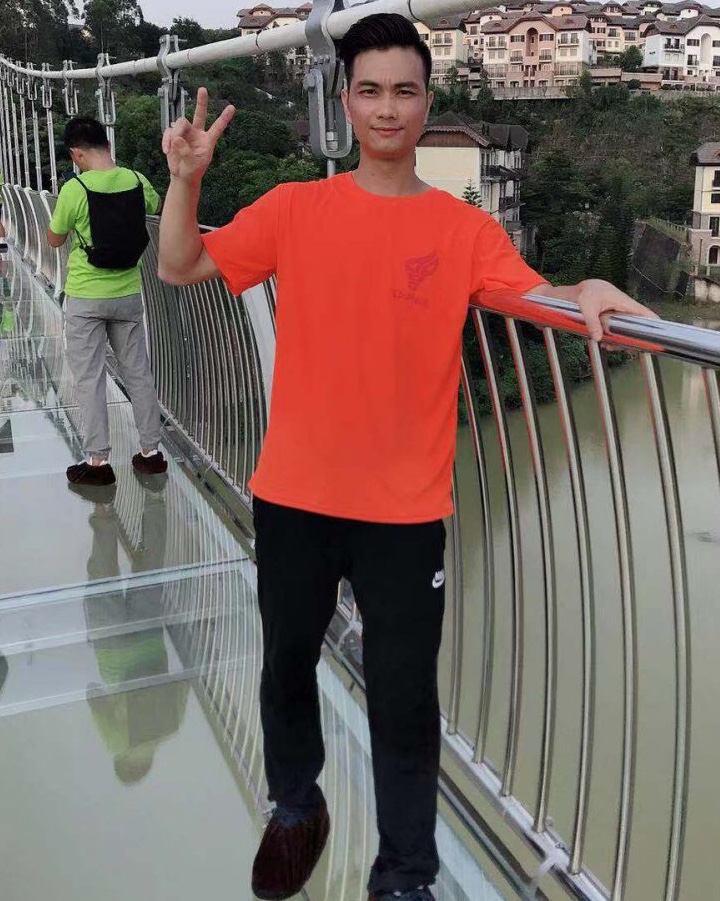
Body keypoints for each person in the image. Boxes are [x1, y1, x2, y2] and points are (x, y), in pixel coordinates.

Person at [157, 14, 658, 901]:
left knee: (403, 697)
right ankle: (297, 803)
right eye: (370, 90)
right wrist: (186, 180)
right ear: (345, 103)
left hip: (405, 510)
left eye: (405, 91)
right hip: (294, 494)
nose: (387, 108)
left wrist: (586, 288)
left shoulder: (463, 230)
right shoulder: (295, 209)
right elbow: (180, 265)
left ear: (428, 102)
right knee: (285, 665)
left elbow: (535, 294)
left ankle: (405, 875)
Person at [48, 117, 168, 488]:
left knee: (90, 379)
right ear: (108, 145)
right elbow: (155, 204)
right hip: (128, 294)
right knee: (138, 373)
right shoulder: (136, 180)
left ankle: (98, 461)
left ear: (76, 154)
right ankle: (150, 453)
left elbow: (54, 239)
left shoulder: (75, 188)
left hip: (86, 297)